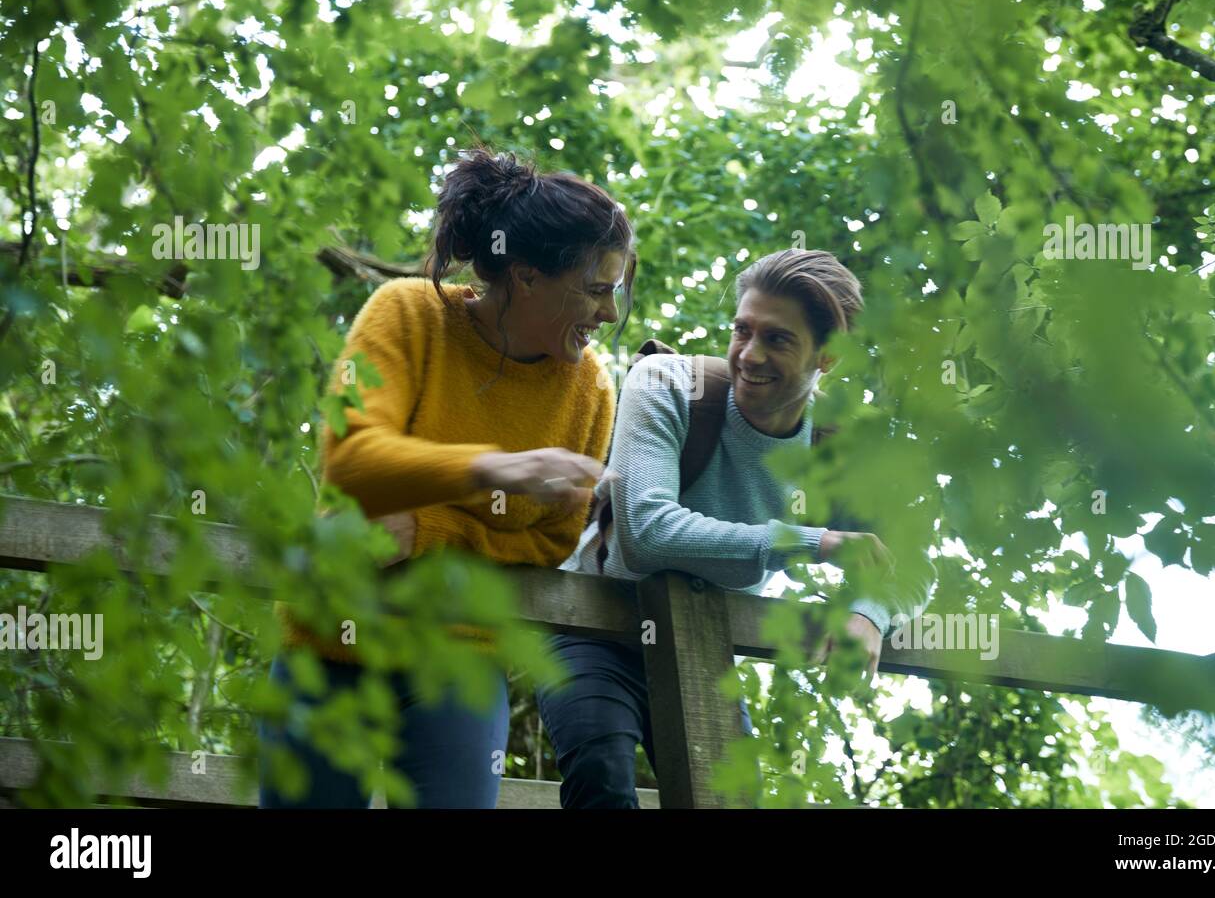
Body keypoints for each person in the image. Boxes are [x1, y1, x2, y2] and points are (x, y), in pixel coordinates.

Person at [258, 147, 636, 808]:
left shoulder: (591, 391)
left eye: (617, 291)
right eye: (596, 289)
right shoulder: (405, 314)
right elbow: (352, 461)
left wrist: (428, 528)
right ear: (526, 277)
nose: (608, 313)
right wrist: (498, 469)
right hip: (331, 635)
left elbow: (550, 543)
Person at [536, 248, 934, 808]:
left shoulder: (837, 454)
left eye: (778, 339)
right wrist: (810, 542)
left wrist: (868, 614)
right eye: (742, 330)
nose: (750, 354)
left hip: (702, 641)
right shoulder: (667, 385)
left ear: (827, 359)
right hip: (594, 627)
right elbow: (647, 533)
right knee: (601, 779)